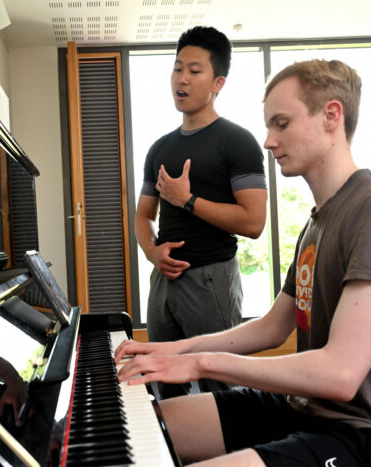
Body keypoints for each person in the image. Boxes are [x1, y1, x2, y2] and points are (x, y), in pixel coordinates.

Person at [116, 59, 371, 466]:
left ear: (331, 116)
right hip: (306, 409)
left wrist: (198, 364)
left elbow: (340, 374)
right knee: (139, 430)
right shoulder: (318, 221)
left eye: (281, 124)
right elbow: (272, 328)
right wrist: (170, 350)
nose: (268, 141)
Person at [135, 26, 268, 399]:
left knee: (221, 386)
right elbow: (143, 215)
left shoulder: (237, 141)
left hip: (211, 279)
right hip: (163, 281)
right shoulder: (159, 148)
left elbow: (254, 222)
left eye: (195, 71)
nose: (182, 79)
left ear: (218, 82)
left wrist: (187, 200)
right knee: (161, 381)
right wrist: (151, 252)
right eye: (178, 69)